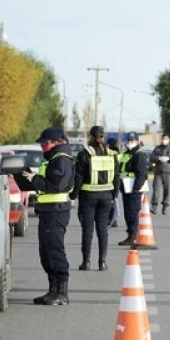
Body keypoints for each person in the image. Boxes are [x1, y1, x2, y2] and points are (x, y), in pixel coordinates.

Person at [18, 127, 75, 306]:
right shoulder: (53, 159)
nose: (43, 146)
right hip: (48, 210)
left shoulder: (62, 161)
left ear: (59, 142)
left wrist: (34, 179)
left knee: (55, 251)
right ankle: (52, 291)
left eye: (46, 143)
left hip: (56, 211)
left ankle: (61, 293)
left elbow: (56, 186)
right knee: (46, 252)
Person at [70, 126, 119, 271]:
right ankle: (102, 262)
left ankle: (86, 262)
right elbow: (117, 177)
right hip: (106, 196)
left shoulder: (85, 154)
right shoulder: (112, 154)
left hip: (88, 196)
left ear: (91, 137)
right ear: (103, 137)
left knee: (87, 229)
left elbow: (78, 177)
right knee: (103, 229)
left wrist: (74, 194)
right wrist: (114, 195)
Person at [117, 132, 149, 246]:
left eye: (133, 140)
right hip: (125, 188)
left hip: (134, 189)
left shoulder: (138, 155)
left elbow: (142, 174)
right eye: (129, 140)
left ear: (137, 141)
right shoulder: (126, 154)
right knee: (127, 212)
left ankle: (133, 236)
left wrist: (136, 188)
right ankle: (130, 234)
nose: (130, 143)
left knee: (132, 213)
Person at [149, 132, 170, 215]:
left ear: (169, 139)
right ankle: (154, 206)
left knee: (167, 190)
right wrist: (158, 158)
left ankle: (165, 206)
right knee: (156, 190)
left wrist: (169, 158)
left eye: (166, 139)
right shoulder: (158, 148)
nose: (164, 140)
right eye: (163, 139)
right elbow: (151, 157)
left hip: (168, 173)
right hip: (158, 172)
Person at [106, 138, 122, 228]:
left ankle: (111, 218)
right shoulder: (118, 153)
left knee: (110, 201)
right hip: (117, 178)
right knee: (114, 200)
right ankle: (114, 219)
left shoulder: (109, 153)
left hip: (110, 178)